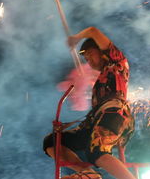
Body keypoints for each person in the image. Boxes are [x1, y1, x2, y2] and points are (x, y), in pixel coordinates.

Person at [43, 27, 136, 179]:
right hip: (96, 120)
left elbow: (93, 31)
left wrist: (75, 38)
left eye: (91, 54)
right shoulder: (99, 81)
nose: (89, 60)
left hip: (114, 114)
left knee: (97, 151)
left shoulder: (117, 62)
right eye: (85, 58)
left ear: (102, 51)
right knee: (51, 142)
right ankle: (88, 174)